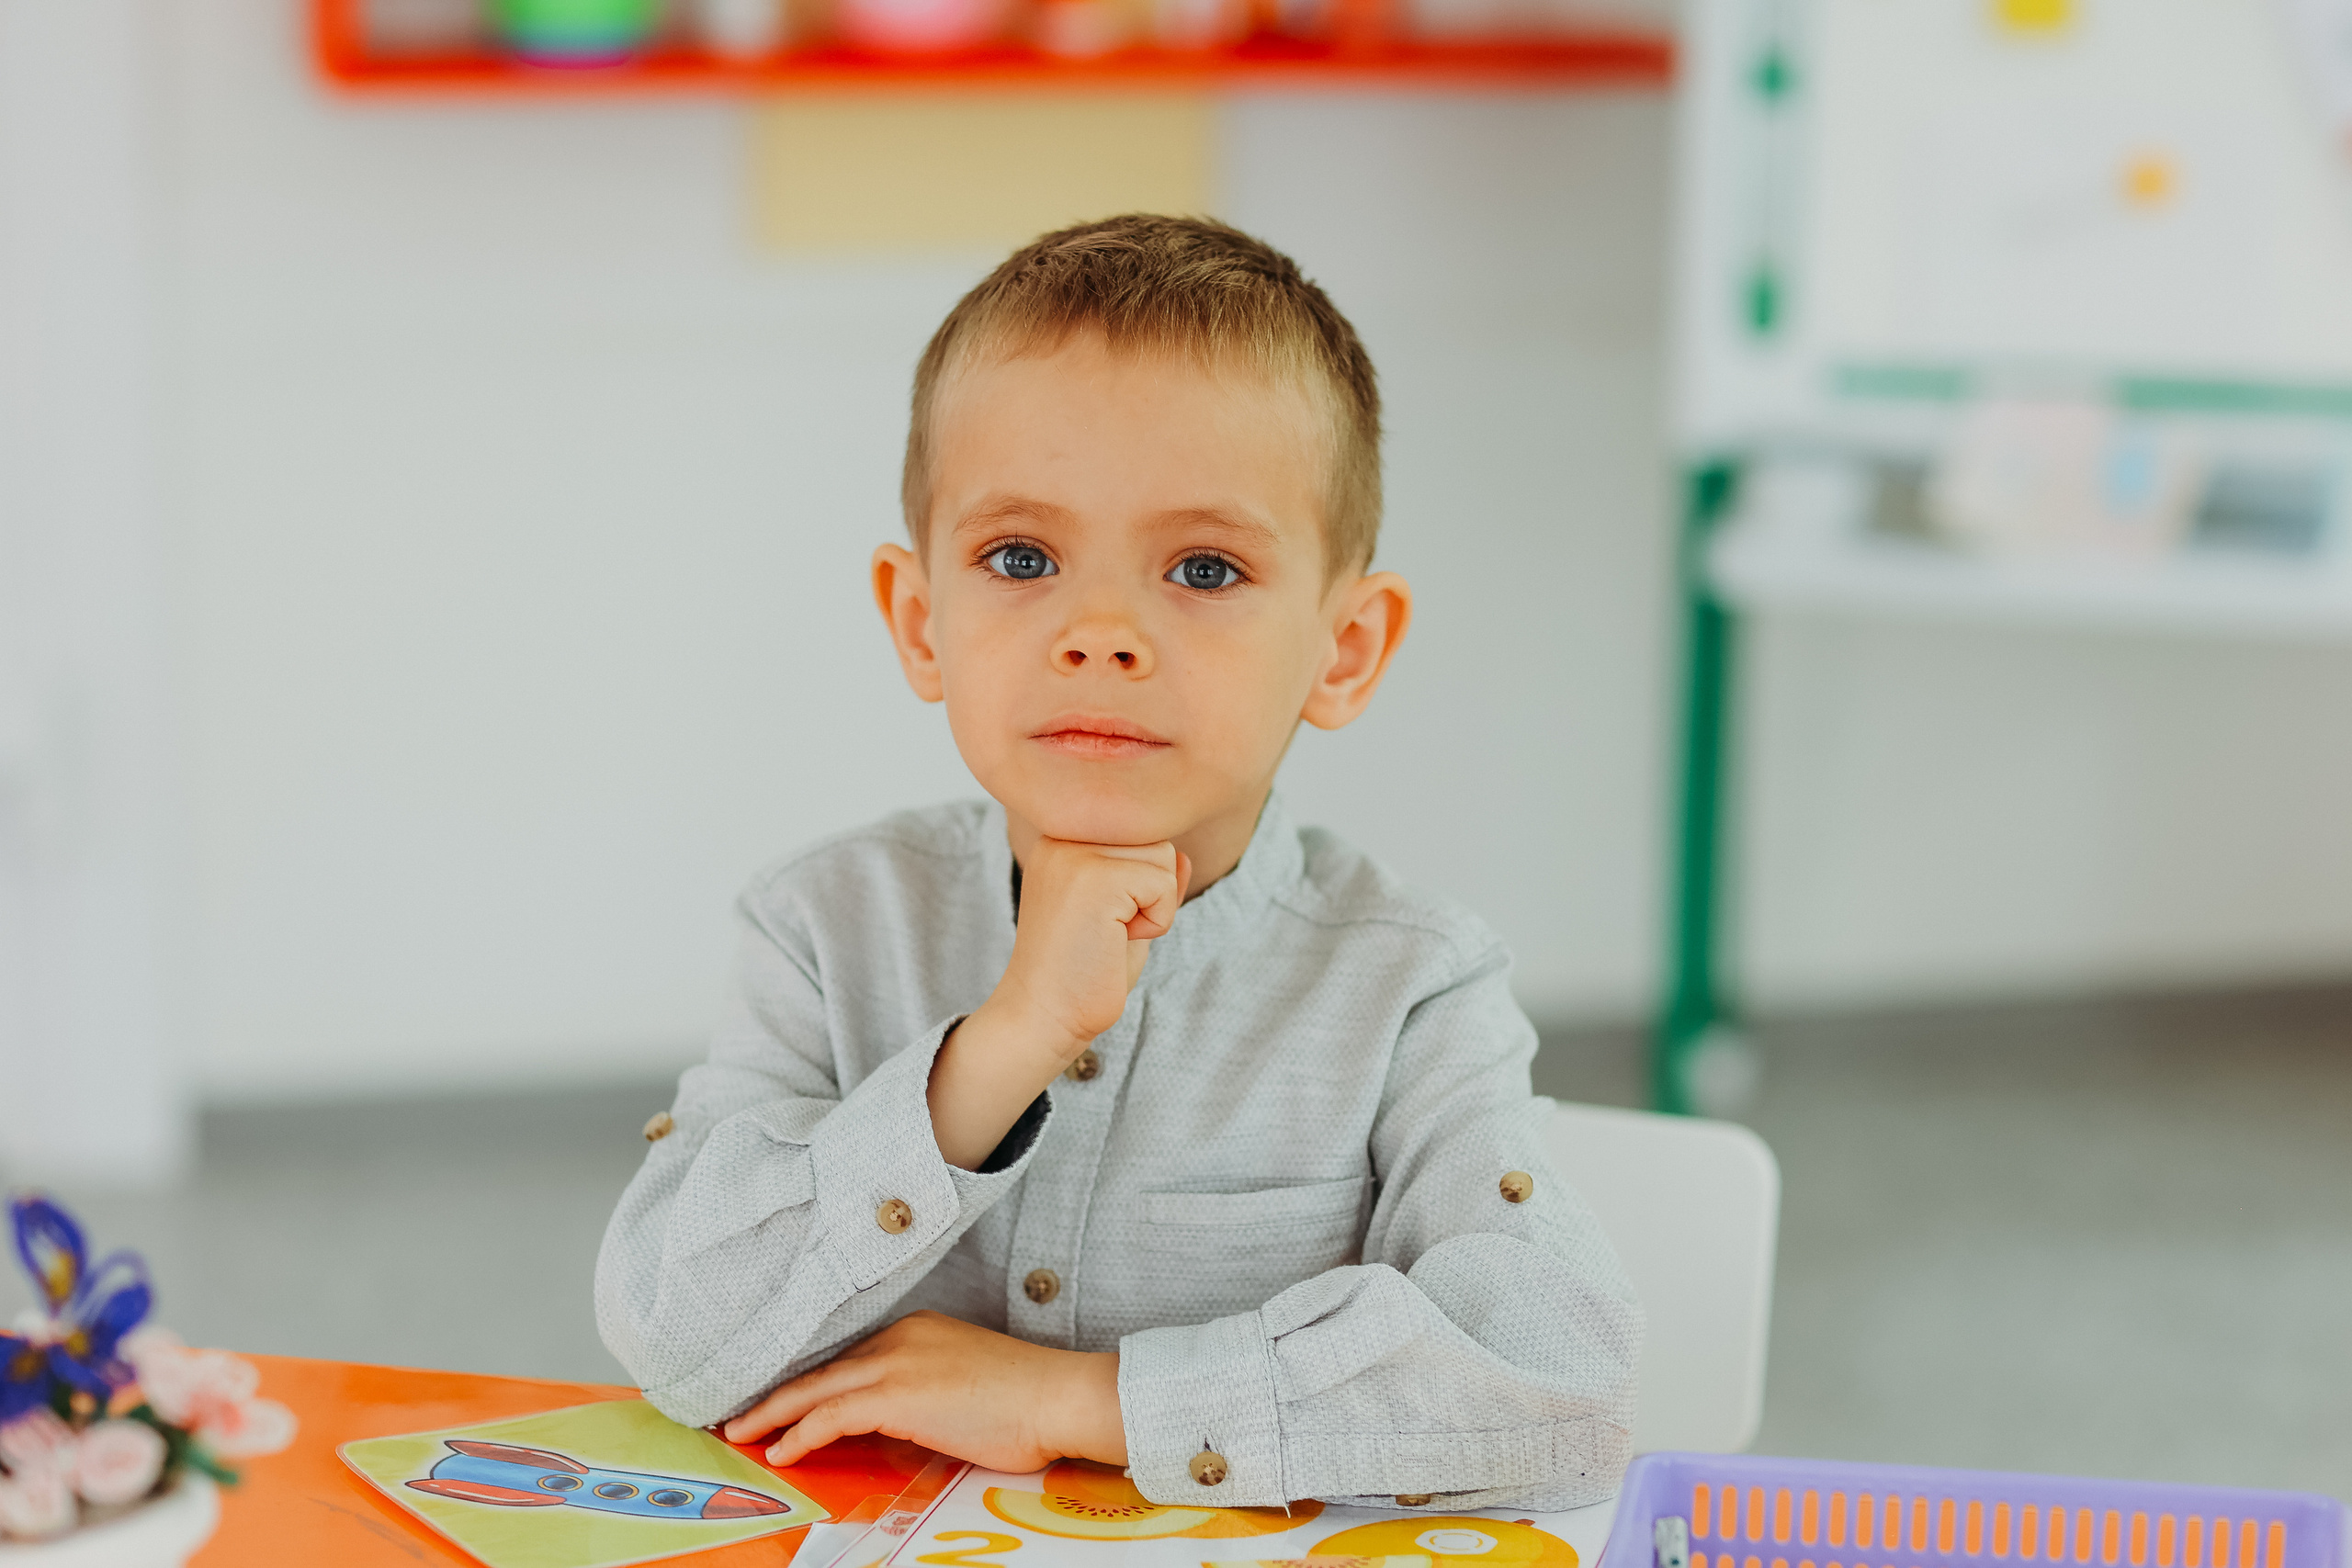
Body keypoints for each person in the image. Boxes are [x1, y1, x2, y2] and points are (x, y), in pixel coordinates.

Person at [594, 214, 1641, 1511]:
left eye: (1203, 567)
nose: (1100, 632)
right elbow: (675, 1336)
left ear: (1346, 651)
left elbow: (1562, 1391)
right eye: (1020, 558)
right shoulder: (823, 925)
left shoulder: (1414, 985)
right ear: (920, 623)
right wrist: (1002, 1047)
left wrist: (1078, 1402)